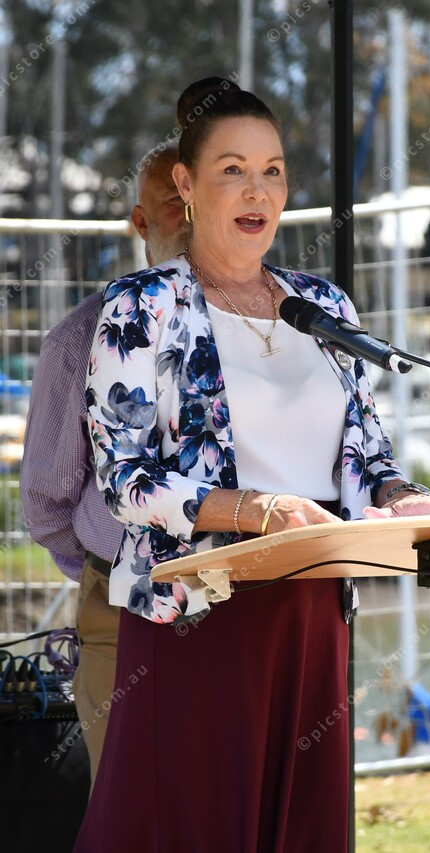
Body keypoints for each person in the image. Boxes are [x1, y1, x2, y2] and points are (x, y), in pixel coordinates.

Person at [73, 77, 430, 853]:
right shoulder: (139, 307)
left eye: (273, 171)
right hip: (196, 620)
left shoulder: (325, 308)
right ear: (185, 184)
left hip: (312, 615)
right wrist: (257, 509)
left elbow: (366, 454)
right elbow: (125, 479)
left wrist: (402, 499)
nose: (257, 190)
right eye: (232, 170)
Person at [20, 142, 190, 785]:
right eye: (174, 203)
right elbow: (45, 504)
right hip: (122, 608)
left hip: (251, 604)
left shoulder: (274, 322)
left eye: (200, 199)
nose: (191, 217)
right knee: (128, 804)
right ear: (140, 221)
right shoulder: (81, 337)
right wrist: (104, 571)